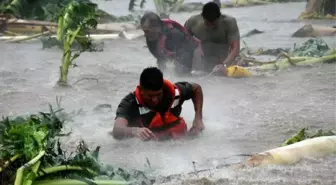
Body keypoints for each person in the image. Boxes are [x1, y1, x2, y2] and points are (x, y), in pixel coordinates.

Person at [111, 67, 204, 141]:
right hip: (149, 143)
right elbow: (117, 130)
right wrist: (134, 131)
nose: (155, 100)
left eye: (158, 95)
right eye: (150, 96)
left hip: (177, 138)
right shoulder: (130, 103)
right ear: (141, 90)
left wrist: (198, 118)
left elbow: (196, 88)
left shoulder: (175, 92)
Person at [184, 1, 241, 73]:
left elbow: (235, 48)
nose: (210, 26)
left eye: (213, 23)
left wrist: (224, 65)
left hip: (224, 62)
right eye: (207, 23)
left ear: (219, 16)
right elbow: (183, 43)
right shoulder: (192, 22)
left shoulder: (229, 23)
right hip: (202, 64)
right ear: (202, 16)